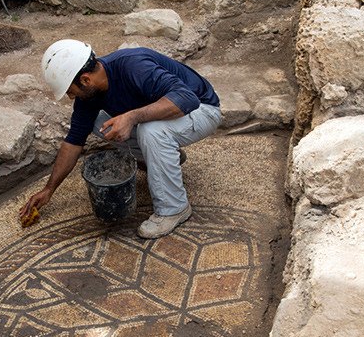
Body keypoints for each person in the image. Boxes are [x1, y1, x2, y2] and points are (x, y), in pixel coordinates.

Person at [20, 39, 222, 238]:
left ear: (85, 79)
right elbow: (74, 141)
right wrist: (49, 189)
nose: (71, 98)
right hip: (168, 117)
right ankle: (165, 157)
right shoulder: (89, 94)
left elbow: (187, 99)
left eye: (71, 92)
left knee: (150, 131)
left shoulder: (134, 66)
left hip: (202, 109)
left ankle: (174, 208)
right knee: (100, 123)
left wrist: (131, 117)